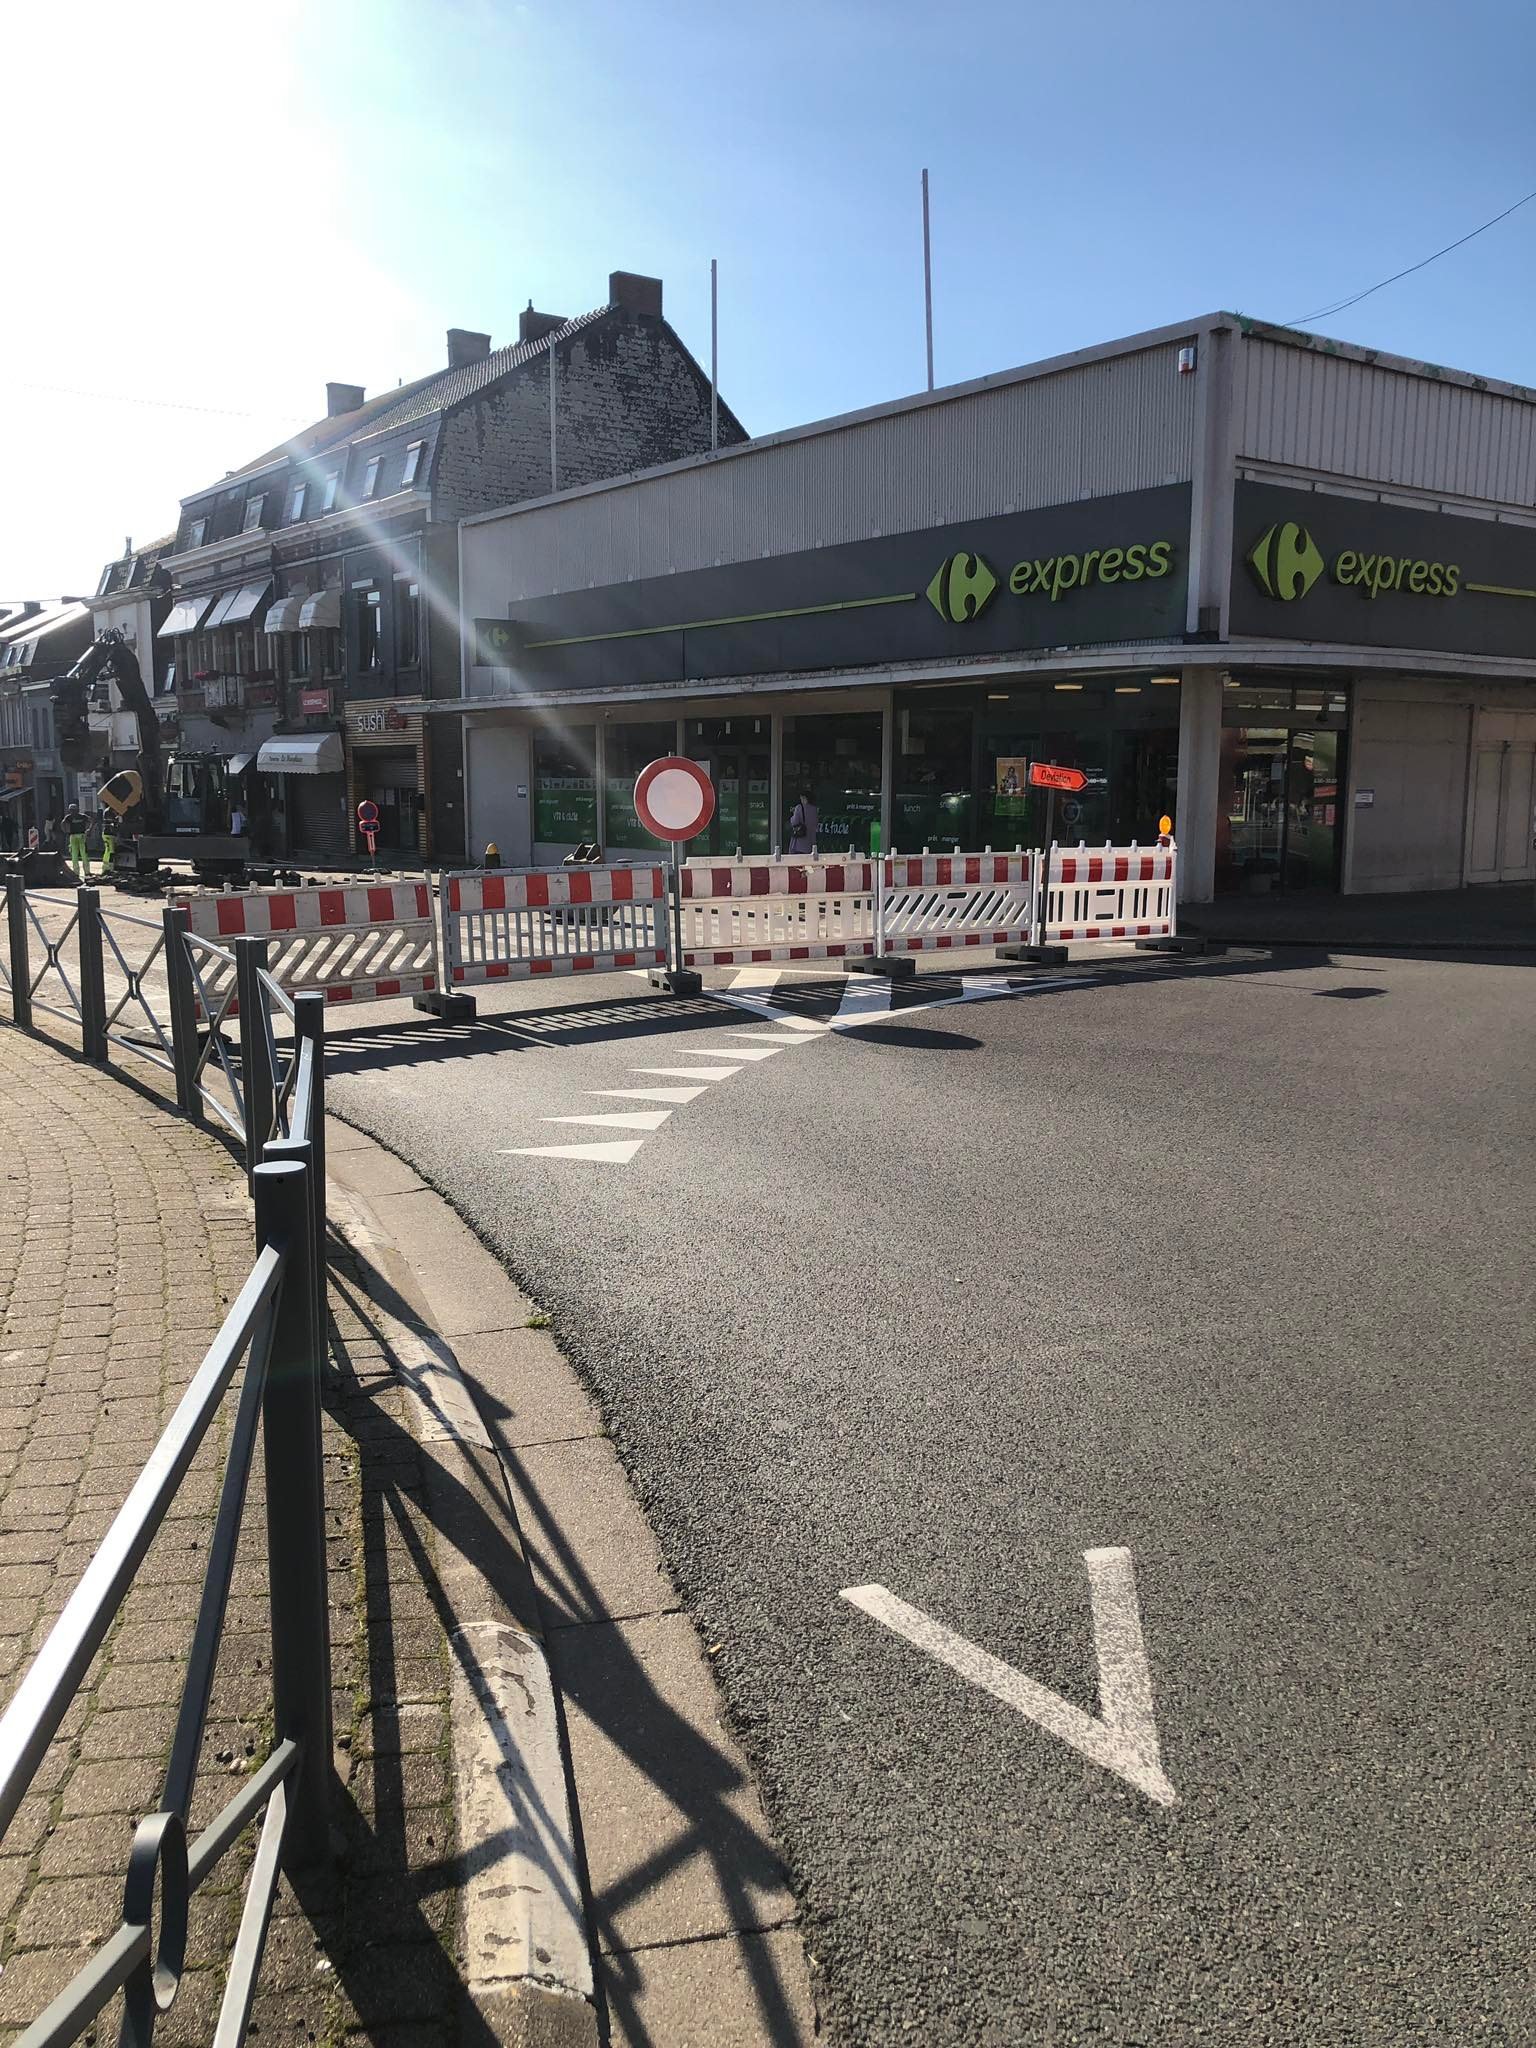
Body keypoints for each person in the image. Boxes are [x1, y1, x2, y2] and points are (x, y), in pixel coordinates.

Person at [63, 803, 90, 880]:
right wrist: (89, 830)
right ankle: (86, 872)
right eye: (72, 810)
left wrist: (65, 831)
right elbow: (92, 820)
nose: (73, 812)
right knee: (81, 855)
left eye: (73, 810)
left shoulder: (70, 817)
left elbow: (63, 823)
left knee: (77, 855)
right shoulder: (81, 816)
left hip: (75, 836)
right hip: (79, 836)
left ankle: (77, 873)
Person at [788, 790, 818, 855]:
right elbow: (815, 824)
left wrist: (793, 815)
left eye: (801, 798)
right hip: (811, 841)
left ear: (804, 798)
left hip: (800, 841)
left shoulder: (799, 807)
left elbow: (794, 822)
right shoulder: (814, 809)